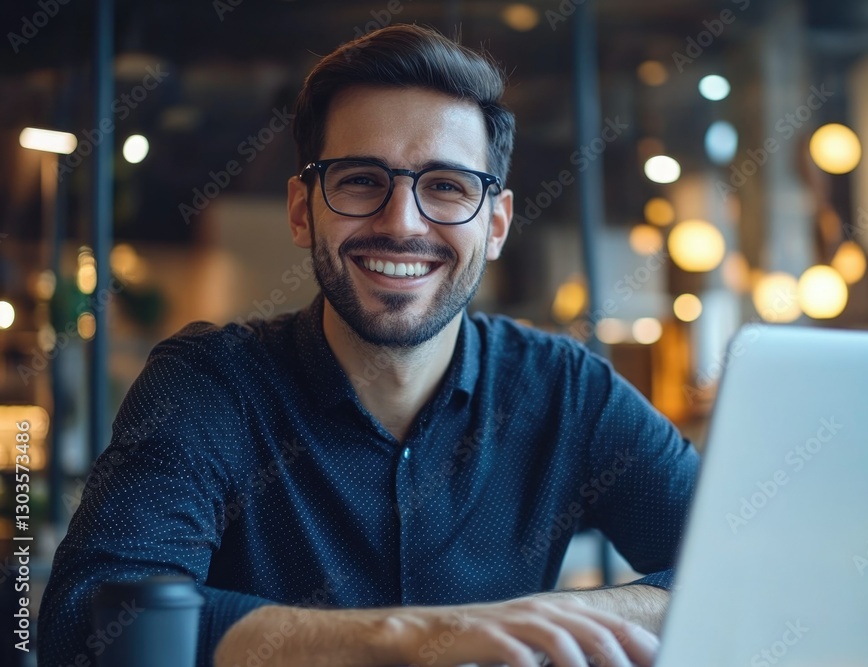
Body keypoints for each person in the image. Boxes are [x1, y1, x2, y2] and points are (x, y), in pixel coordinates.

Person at [38, 23, 699, 667]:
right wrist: (419, 636)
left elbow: (755, 558)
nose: (401, 223)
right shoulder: (210, 385)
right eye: (359, 179)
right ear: (303, 210)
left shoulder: (568, 390)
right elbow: (88, 619)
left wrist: (559, 621)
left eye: (446, 186)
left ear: (495, 224)